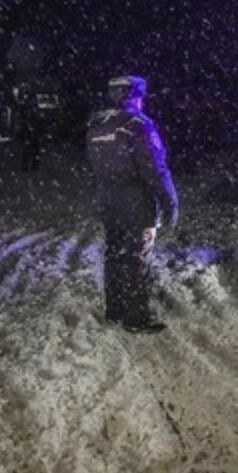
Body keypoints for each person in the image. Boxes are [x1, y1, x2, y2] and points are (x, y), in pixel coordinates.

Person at [86, 76, 179, 333]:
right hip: (136, 203)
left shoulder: (96, 126)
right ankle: (136, 317)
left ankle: (115, 309)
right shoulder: (138, 125)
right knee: (136, 259)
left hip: (108, 201)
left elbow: (93, 169)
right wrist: (170, 203)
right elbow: (156, 170)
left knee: (115, 255)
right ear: (135, 96)